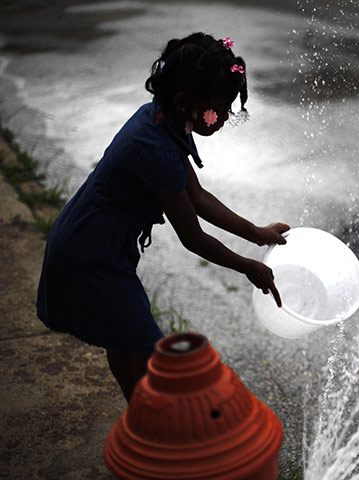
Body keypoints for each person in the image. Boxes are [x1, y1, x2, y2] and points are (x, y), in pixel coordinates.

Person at [36, 32, 289, 402]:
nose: (221, 119)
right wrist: (247, 266)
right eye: (216, 109)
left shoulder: (160, 119)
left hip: (97, 242)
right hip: (89, 252)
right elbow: (192, 236)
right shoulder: (155, 149)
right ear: (184, 100)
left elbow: (199, 198)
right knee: (145, 345)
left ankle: (138, 413)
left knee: (125, 339)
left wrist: (257, 233)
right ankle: (146, 420)